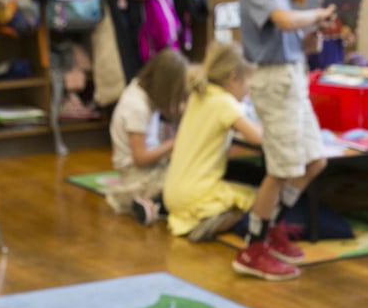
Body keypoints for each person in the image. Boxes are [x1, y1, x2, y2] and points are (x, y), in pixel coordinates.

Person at [235, 0, 336, 281]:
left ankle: (273, 225)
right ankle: (252, 247)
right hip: (273, 82)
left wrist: (313, 37)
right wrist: (316, 15)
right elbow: (283, 20)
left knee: (314, 160)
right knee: (280, 169)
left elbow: (292, 33)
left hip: (292, 74)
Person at [161, 41, 264, 254]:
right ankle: (211, 223)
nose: (247, 92)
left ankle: (201, 219)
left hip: (172, 193)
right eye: (247, 84)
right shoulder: (224, 102)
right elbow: (257, 139)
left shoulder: (201, 94)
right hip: (196, 194)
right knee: (258, 198)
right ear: (233, 78)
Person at [107, 48, 188, 225]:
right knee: (187, 183)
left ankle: (153, 203)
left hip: (146, 170)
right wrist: (173, 143)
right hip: (138, 176)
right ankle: (153, 203)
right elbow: (140, 158)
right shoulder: (138, 108)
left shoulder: (139, 88)